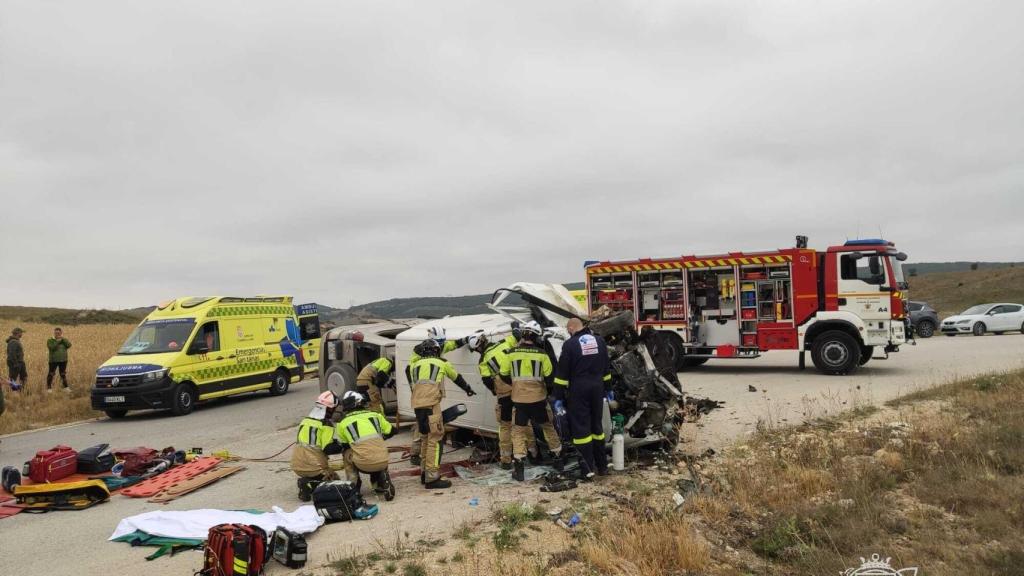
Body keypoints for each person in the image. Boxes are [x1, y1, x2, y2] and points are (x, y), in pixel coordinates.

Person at [500, 321, 563, 482]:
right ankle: (558, 459)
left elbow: (503, 373)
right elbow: (550, 378)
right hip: (539, 399)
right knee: (548, 427)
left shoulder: (511, 353)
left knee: (518, 431)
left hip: (519, 400)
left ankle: (519, 467)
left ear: (523, 335)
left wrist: (515, 384)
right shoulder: (542, 354)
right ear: (536, 337)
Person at [410, 338, 476, 489]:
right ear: (435, 351)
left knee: (425, 439)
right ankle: (432, 478)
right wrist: (468, 389)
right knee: (436, 439)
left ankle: (424, 473)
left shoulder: (414, 365)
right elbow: (456, 377)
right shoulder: (442, 363)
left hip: (417, 407)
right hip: (431, 406)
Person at [468, 329, 537, 469]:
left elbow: (487, 380)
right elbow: (517, 334)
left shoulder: (483, 361)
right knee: (525, 423)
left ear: (479, 347)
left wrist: (495, 391)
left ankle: (506, 460)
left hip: (504, 394)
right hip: (519, 387)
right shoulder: (504, 342)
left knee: (505, 426)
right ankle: (534, 454)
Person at [554, 318, 612, 481]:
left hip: (579, 390)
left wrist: (558, 397)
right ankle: (602, 466)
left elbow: (562, 375)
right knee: (597, 427)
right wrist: (608, 388)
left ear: (572, 328)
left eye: (568, 329)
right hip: (597, 389)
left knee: (581, 430)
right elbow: (606, 367)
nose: (568, 332)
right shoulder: (600, 341)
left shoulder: (570, 345)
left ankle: (587, 470)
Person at [406, 326, 466, 466]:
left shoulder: (435, 347)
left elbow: (451, 345)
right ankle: (416, 454)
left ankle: (424, 462)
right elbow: (410, 370)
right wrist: (415, 389)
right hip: (423, 392)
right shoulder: (419, 351)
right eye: (439, 342)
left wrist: (465, 340)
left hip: (431, 393)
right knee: (424, 429)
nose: (441, 345)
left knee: (427, 427)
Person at [333, 390, 396, 501]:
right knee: (376, 447)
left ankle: (353, 486)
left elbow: (343, 445)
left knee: (347, 453)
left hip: (362, 464)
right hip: (382, 461)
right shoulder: (376, 416)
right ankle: (379, 483)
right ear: (361, 402)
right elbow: (392, 431)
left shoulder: (342, 423)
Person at [290, 391, 342, 501]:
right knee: (336, 482)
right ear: (330, 408)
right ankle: (309, 483)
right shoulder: (325, 424)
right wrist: (344, 445)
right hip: (315, 467)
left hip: (296, 465)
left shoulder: (305, 421)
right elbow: (328, 449)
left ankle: (307, 482)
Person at [46, 327, 72, 392]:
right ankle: (49, 388)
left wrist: (63, 339)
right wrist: (58, 341)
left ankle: (65, 388)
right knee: (51, 373)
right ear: (54, 333)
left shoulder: (63, 340)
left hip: (63, 360)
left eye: (59, 333)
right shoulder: (50, 340)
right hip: (53, 360)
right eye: (56, 333)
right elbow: (52, 348)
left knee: (63, 374)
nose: (57, 334)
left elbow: (69, 345)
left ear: (61, 333)